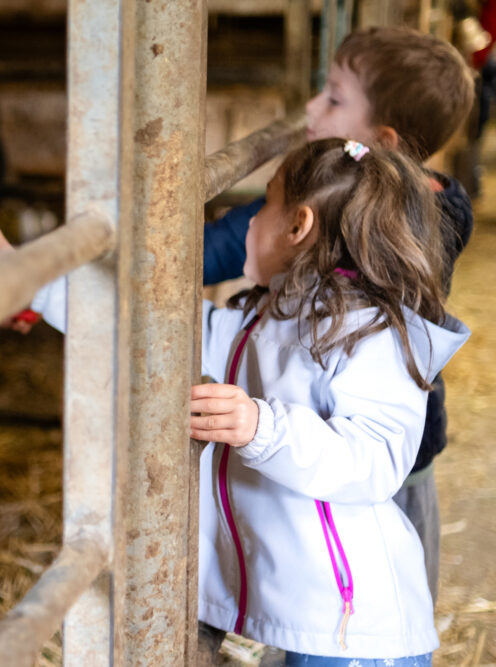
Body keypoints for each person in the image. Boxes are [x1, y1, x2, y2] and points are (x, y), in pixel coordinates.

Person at [203, 26, 476, 602]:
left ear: (383, 140)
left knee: (389, 577)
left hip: (386, 446)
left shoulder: (413, 222)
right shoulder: (344, 204)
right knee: (317, 584)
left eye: (332, 96)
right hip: (303, 439)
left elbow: (237, 245)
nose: (309, 107)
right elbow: (225, 245)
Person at [191, 138, 468, 663]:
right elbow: (159, 329)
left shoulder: (373, 334)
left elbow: (373, 458)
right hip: (311, 621)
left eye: (261, 205)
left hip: (356, 629)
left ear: (297, 226)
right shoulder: (261, 318)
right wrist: (37, 285)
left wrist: (261, 428)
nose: (244, 220)